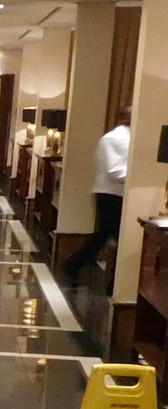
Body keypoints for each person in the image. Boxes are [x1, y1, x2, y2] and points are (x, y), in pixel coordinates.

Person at [64, 105, 131, 282]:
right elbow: (114, 169)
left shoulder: (127, 138)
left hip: (117, 193)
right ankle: (77, 264)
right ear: (124, 117)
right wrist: (135, 177)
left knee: (106, 234)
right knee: (110, 234)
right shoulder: (113, 139)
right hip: (110, 194)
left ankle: (76, 264)